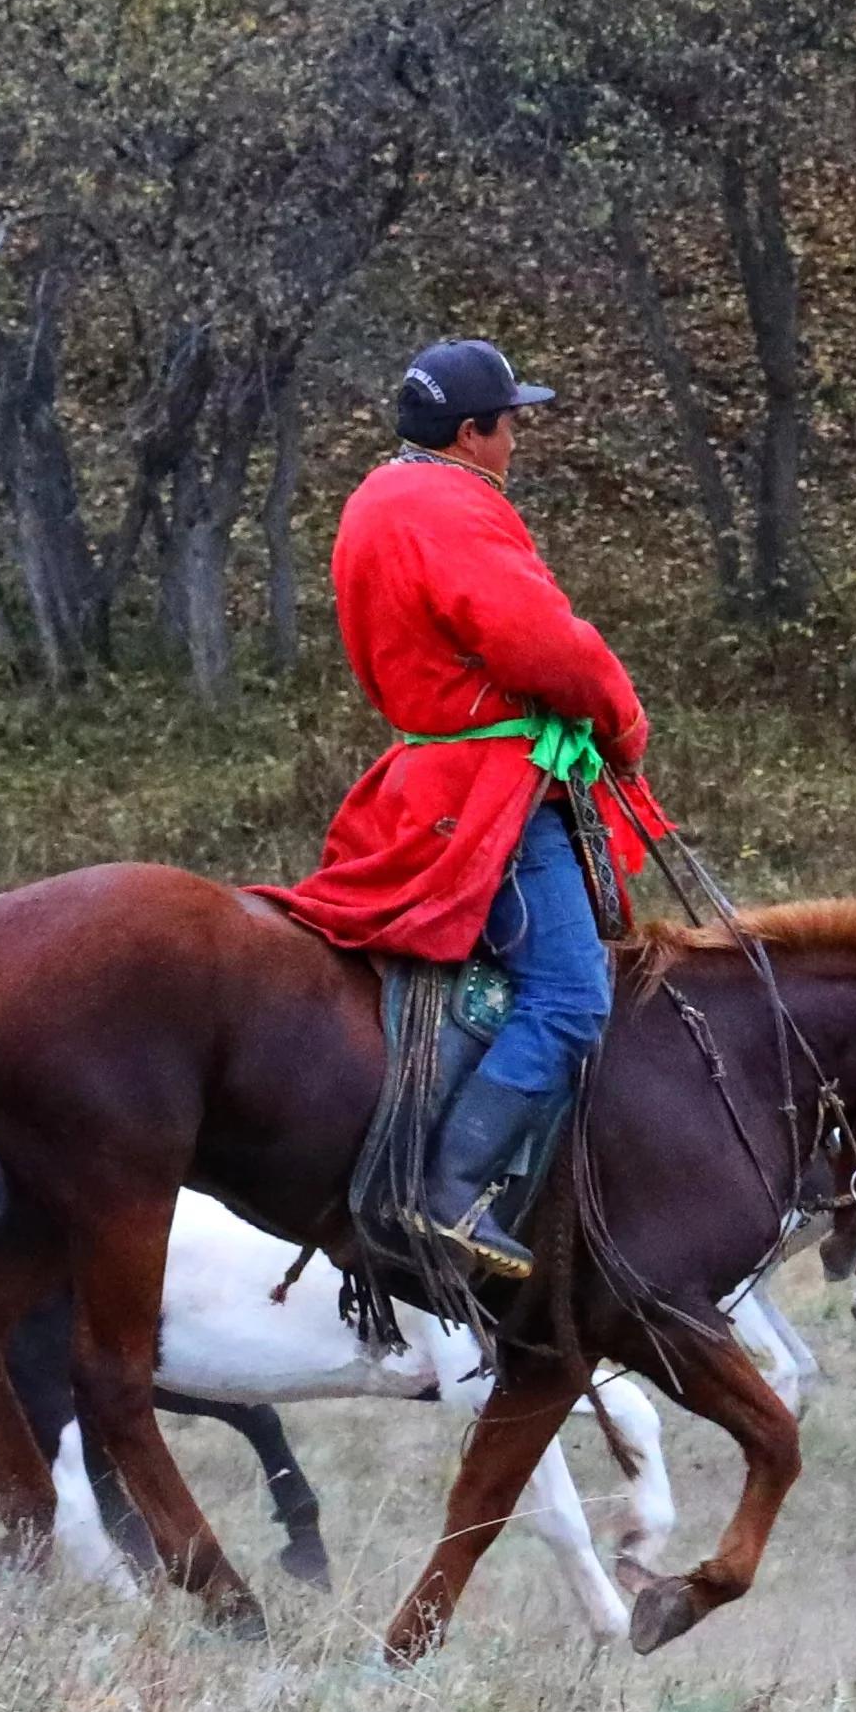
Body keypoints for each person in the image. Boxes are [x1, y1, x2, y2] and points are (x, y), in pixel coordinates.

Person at [264, 341, 659, 1287]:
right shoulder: (451, 504)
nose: (516, 440)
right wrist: (622, 722)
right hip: (488, 793)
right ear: (471, 432)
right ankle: (447, 1188)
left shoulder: (377, 497)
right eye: (510, 423)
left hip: (423, 777)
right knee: (571, 999)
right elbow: (544, 646)